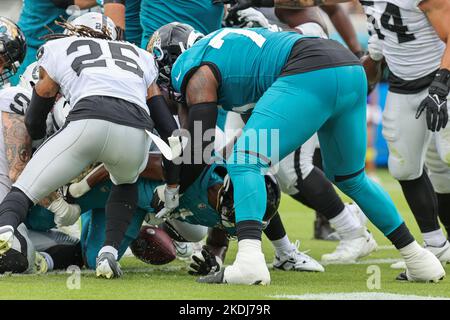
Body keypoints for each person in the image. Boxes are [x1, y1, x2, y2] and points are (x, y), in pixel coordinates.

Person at [151, 22, 445, 284]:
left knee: (244, 160)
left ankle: (250, 263)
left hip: (308, 71)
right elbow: (216, 143)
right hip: (347, 67)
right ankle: (419, 259)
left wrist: (173, 188)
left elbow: (199, 147)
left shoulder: (191, 66)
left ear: (169, 61)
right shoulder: (227, 50)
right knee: (351, 178)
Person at [0, 12, 180, 279]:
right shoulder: (138, 54)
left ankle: (4, 228)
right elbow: (170, 130)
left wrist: (40, 139)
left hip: (87, 121)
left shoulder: (59, 48)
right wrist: (174, 187)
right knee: (126, 182)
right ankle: (108, 253)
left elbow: (38, 110)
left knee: (24, 188)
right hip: (135, 131)